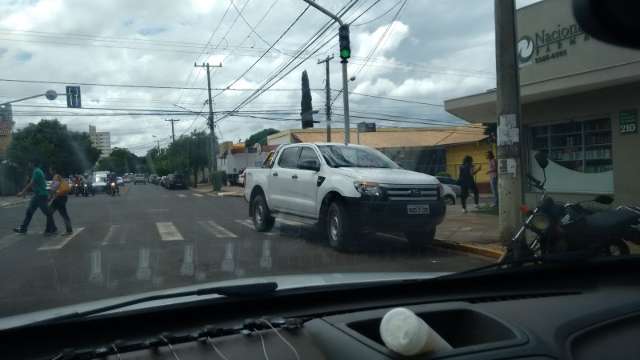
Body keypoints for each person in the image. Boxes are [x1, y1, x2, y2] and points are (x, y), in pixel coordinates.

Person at [14, 162, 57, 235]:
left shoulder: (37, 171)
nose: (29, 164)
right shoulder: (38, 171)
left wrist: (22, 192)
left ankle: (52, 228)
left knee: (47, 212)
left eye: (30, 163)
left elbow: (31, 183)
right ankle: (23, 228)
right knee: (29, 212)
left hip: (41, 195)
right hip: (37, 195)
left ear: (32, 163)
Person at [49, 170, 73, 235]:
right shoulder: (60, 177)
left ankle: (53, 229)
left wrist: (50, 197)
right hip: (62, 197)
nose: (49, 171)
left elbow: (54, 188)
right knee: (62, 214)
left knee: (50, 212)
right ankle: (53, 229)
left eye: (50, 169)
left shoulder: (56, 177)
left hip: (59, 198)